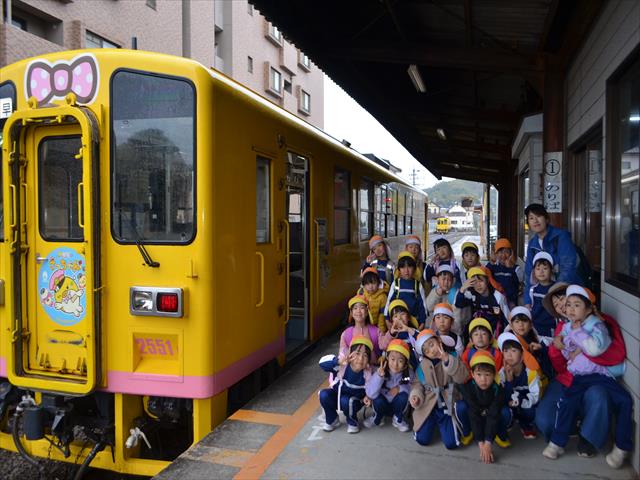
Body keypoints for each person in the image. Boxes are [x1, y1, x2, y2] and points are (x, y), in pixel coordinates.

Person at [542, 285, 632, 469]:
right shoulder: (566, 326)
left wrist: (577, 335)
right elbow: (567, 352)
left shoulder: (597, 325)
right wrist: (563, 344)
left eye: (576, 305)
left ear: (589, 308)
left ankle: (621, 447)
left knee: (625, 400)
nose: (569, 308)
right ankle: (557, 443)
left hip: (600, 375)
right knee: (566, 403)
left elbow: (595, 348)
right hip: (580, 375)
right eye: (567, 305)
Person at [410, 329, 469, 448]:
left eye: (432, 345)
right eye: (426, 350)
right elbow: (417, 384)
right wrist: (415, 395)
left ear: (439, 341)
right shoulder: (422, 367)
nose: (431, 351)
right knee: (422, 440)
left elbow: (463, 377)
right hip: (430, 404)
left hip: (448, 402)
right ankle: (429, 423)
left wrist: (447, 361)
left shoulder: (453, 356)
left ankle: (447, 425)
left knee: (452, 444)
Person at [456, 351, 511, 464]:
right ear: (472, 374)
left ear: (494, 374)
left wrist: (488, 442)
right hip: (476, 416)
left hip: (490, 416)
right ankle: (468, 432)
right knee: (460, 407)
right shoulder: (468, 388)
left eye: (487, 375)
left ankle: (498, 434)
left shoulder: (497, 389)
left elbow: (494, 414)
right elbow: (473, 412)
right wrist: (481, 443)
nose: (483, 379)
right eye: (479, 374)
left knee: (505, 412)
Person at [523, 203, 581, 300]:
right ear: (528, 223)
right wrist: (528, 301)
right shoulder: (532, 244)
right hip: (545, 294)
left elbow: (568, 266)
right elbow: (529, 274)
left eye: (539, 216)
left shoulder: (561, 236)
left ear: (546, 219)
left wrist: (555, 292)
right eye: (531, 218)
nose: (535, 221)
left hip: (568, 291)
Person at [319, 336, 373, 433]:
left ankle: (352, 422)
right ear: (350, 354)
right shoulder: (342, 366)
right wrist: (338, 362)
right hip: (338, 397)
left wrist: (368, 396)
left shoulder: (368, 374)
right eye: (357, 353)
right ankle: (332, 419)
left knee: (346, 400)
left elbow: (372, 389)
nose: (360, 358)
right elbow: (322, 364)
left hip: (354, 401)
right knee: (324, 394)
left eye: (365, 355)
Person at [497, 332, 542, 440]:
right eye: (506, 351)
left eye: (513, 351)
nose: (509, 355)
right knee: (504, 411)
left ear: (522, 356)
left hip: (526, 404)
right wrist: (509, 381)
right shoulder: (502, 373)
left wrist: (520, 400)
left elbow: (535, 397)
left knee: (532, 412)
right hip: (510, 404)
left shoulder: (531, 373)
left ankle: (525, 424)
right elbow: (502, 397)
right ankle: (510, 421)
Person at [364, 339, 413, 431]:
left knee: (403, 396)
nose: (395, 364)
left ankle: (398, 418)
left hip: (397, 406)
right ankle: (377, 417)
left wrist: (400, 388)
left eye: (400, 361)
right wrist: (379, 376)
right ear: (387, 358)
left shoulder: (408, 373)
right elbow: (370, 393)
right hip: (382, 405)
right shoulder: (380, 370)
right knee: (377, 399)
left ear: (405, 363)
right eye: (392, 359)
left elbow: (413, 387)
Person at [456, 266, 510, 337]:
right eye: (474, 282)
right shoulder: (472, 294)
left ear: (487, 281)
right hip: (477, 330)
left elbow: (508, 319)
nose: (478, 285)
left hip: (495, 332)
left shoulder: (498, 296)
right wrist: (462, 289)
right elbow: (459, 304)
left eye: (481, 281)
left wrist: (504, 336)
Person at [507, 306, 554, 382]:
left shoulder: (537, 339)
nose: (521, 324)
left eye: (524, 321)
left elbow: (552, 343)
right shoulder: (507, 341)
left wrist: (541, 348)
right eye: (517, 321)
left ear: (531, 324)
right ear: (511, 325)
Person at [384, 251, 427, 329]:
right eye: (403, 267)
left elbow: (422, 305)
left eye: (409, 267)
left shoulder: (417, 285)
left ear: (414, 268)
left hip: (414, 322)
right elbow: (389, 302)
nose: (406, 270)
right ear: (399, 270)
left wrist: (422, 322)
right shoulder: (396, 283)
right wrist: (387, 319)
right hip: (398, 322)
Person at [339, 296, 382, 365]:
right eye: (355, 308)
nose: (358, 311)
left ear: (367, 311)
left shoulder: (377, 331)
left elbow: (383, 353)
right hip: (353, 368)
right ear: (351, 313)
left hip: (373, 368)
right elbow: (342, 356)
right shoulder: (346, 334)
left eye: (362, 308)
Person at [379, 299, 420, 368]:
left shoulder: (412, 331)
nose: (399, 318)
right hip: (395, 367)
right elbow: (382, 346)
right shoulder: (391, 333)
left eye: (402, 314)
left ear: (408, 318)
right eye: (395, 316)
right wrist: (391, 334)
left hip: (413, 367)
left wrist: (408, 329)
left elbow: (422, 341)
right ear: (392, 321)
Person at [527, 252, 557, 341]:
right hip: (535, 327)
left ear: (551, 270)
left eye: (545, 268)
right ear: (534, 271)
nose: (541, 271)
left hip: (551, 327)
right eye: (538, 268)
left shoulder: (555, 289)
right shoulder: (533, 290)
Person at [426, 265, 462, 333]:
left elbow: (458, 316)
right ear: (437, 280)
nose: (446, 282)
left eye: (449, 280)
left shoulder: (456, 293)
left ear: (453, 281)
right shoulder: (435, 291)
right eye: (443, 279)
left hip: (452, 329)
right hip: (436, 328)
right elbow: (429, 307)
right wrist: (437, 294)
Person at [486, 238, 522, 308]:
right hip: (496, 301)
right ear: (496, 254)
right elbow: (486, 274)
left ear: (511, 254)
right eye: (500, 252)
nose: (503, 255)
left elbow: (520, 280)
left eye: (506, 252)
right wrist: (491, 262)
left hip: (511, 302)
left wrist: (511, 267)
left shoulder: (516, 268)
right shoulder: (493, 267)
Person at [357, 267, 390, 333]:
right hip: (363, 326)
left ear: (378, 283)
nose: (370, 286)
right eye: (367, 284)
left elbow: (382, 316)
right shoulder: (361, 293)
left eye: (373, 283)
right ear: (363, 285)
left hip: (376, 327)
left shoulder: (383, 297)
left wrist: (381, 331)